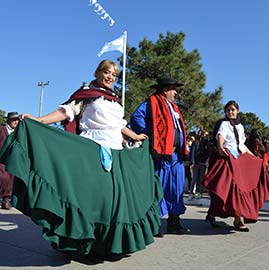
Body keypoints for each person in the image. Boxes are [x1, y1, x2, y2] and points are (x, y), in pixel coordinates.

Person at [0, 60, 162, 260]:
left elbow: (118, 124)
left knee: (112, 201)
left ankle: (107, 244)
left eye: (115, 75)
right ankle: (82, 243)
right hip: (90, 151)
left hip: (116, 152)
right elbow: (64, 112)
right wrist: (37, 121)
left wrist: (135, 136)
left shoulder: (114, 99)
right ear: (97, 72)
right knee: (89, 200)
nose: (111, 77)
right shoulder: (86, 95)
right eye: (107, 72)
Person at [130, 77, 191, 235]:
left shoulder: (174, 108)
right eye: (173, 89)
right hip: (162, 155)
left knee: (176, 189)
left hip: (176, 156)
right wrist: (151, 134)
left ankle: (174, 222)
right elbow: (136, 117)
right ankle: (154, 224)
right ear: (165, 90)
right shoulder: (151, 102)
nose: (175, 92)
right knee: (159, 188)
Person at [202, 100, 269, 232]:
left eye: (233, 110)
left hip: (239, 158)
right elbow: (220, 136)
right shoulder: (224, 124)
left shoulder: (240, 126)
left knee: (240, 188)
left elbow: (241, 144)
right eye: (228, 110)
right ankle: (213, 214)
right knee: (225, 189)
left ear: (237, 111)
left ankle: (237, 219)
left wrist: (254, 157)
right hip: (227, 157)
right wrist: (220, 147)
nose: (231, 112)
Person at [0, 112, 20, 209]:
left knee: (11, 179)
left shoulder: (17, 132)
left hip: (11, 159)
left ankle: (6, 200)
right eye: (14, 119)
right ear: (8, 120)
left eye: (17, 120)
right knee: (2, 177)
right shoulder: (1, 129)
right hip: (1, 158)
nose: (16, 122)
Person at [189, 130, 209, 200]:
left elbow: (208, 153)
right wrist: (192, 162)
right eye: (205, 135)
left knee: (201, 178)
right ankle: (191, 193)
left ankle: (199, 192)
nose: (206, 136)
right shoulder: (195, 142)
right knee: (194, 178)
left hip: (203, 163)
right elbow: (192, 152)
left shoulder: (206, 144)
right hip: (196, 163)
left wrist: (207, 161)